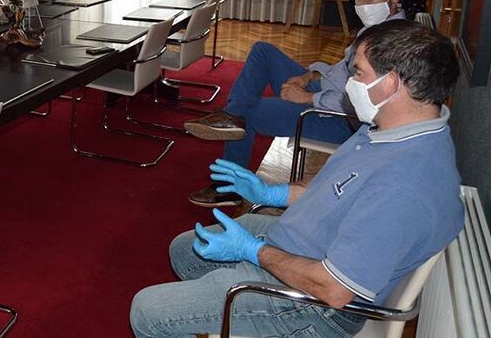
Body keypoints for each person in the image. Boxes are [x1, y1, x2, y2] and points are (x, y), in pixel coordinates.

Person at [130, 20, 464, 337]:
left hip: (316, 305)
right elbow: (339, 187)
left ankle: (226, 305)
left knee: (146, 311)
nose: (350, 82)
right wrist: (270, 193)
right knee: (186, 250)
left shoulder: (406, 184)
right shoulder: (387, 127)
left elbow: (334, 290)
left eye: (358, 73)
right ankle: (219, 308)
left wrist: (254, 252)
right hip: (307, 243)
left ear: (390, 83)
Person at [184, 0, 405, 208]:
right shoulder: (376, 28)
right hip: (326, 91)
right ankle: (231, 115)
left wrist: (308, 97)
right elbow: (341, 70)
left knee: (248, 113)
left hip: (341, 118)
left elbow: (365, 102)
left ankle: (229, 187)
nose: (366, 5)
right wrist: (308, 75)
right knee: (263, 52)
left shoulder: (391, 44)